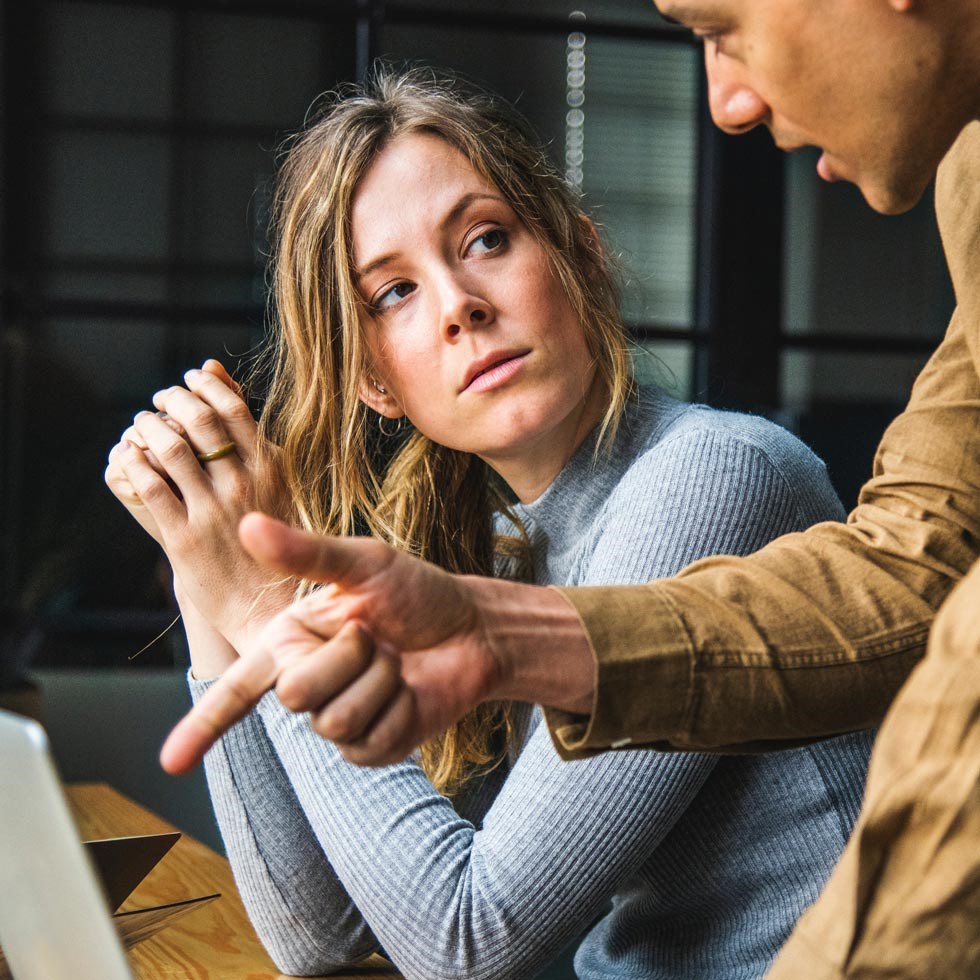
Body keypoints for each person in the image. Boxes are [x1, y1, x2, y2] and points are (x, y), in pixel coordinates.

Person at [159, 2, 980, 977]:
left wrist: (265, 606)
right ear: (370, 380)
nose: (460, 305)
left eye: (486, 238)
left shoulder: (710, 473)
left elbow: (464, 943)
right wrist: (207, 577)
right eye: (393, 291)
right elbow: (324, 943)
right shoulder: (498, 540)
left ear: (580, 254)